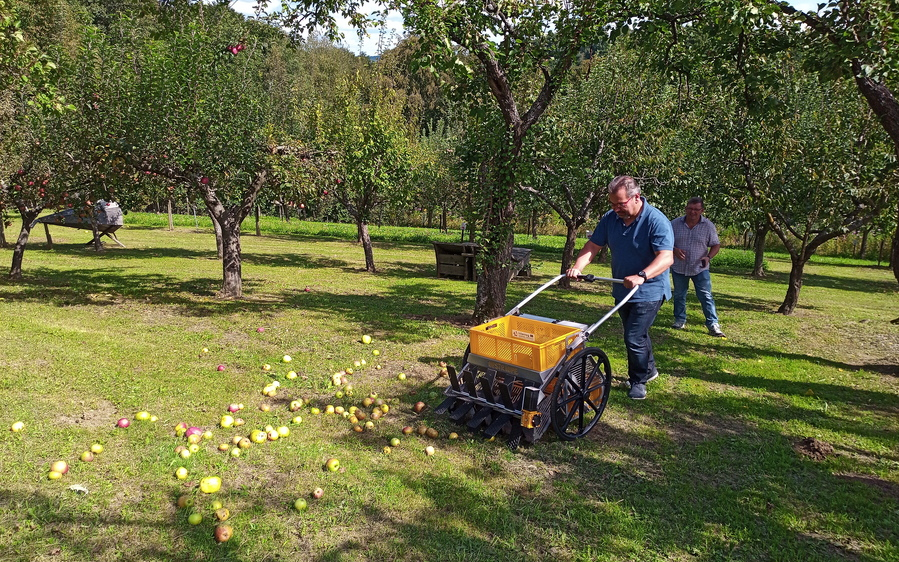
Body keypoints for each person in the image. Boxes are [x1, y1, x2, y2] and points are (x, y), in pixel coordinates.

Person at [566, 176, 674, 400]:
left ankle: (638, 381)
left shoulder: (656, 220)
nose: (616, 209)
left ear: (636, 197)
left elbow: (666, 258)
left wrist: (642, 276)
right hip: (622, 289)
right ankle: (649, 369)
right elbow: (593, 245)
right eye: (613, 204)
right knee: (637, 334)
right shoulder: (610, 218)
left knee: (633, 337)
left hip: (650, 289)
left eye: (620, 204)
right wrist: (577, 266)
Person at [670, 197, 725, 337]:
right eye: (690, 208)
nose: (692, 212)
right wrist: (674, 249)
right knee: (679, 295)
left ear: (702, 210)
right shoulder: (674, 224)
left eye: (696, 209)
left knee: (706, 296)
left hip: (699, 268)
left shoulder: (708, 226)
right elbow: (665, 241)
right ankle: (679, 320)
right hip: (679, 267)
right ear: (686, 208)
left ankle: (713, 324)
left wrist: (708, 257)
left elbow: (715, 244)